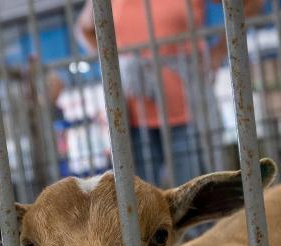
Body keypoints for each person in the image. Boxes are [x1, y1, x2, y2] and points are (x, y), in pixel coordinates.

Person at [74, 0, 262, 187]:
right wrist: (115, 64)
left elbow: (250, 4)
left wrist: (219, 51)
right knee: (141, 200)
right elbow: (85, 29)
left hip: (188, 114)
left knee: (194, 194)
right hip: (134, 119)